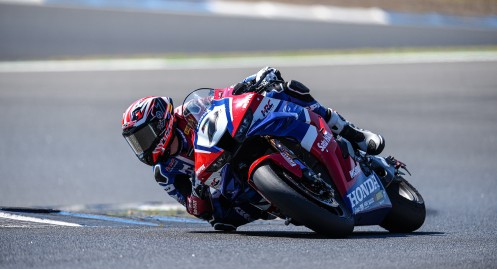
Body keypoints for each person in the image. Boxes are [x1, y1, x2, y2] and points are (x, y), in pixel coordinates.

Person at [121, 67, 385, 231]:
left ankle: (352, 132)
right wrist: (197, 197)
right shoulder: (164, 173)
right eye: (136, 142)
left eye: (143, 136)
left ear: (160, 122)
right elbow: (192, 207)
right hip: (224, 184)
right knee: (221, 221)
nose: (142, 147)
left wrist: (252, 81)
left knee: (286, 90)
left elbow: (224, 96)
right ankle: (291, 201)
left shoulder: (187, 112)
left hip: (235, 140)